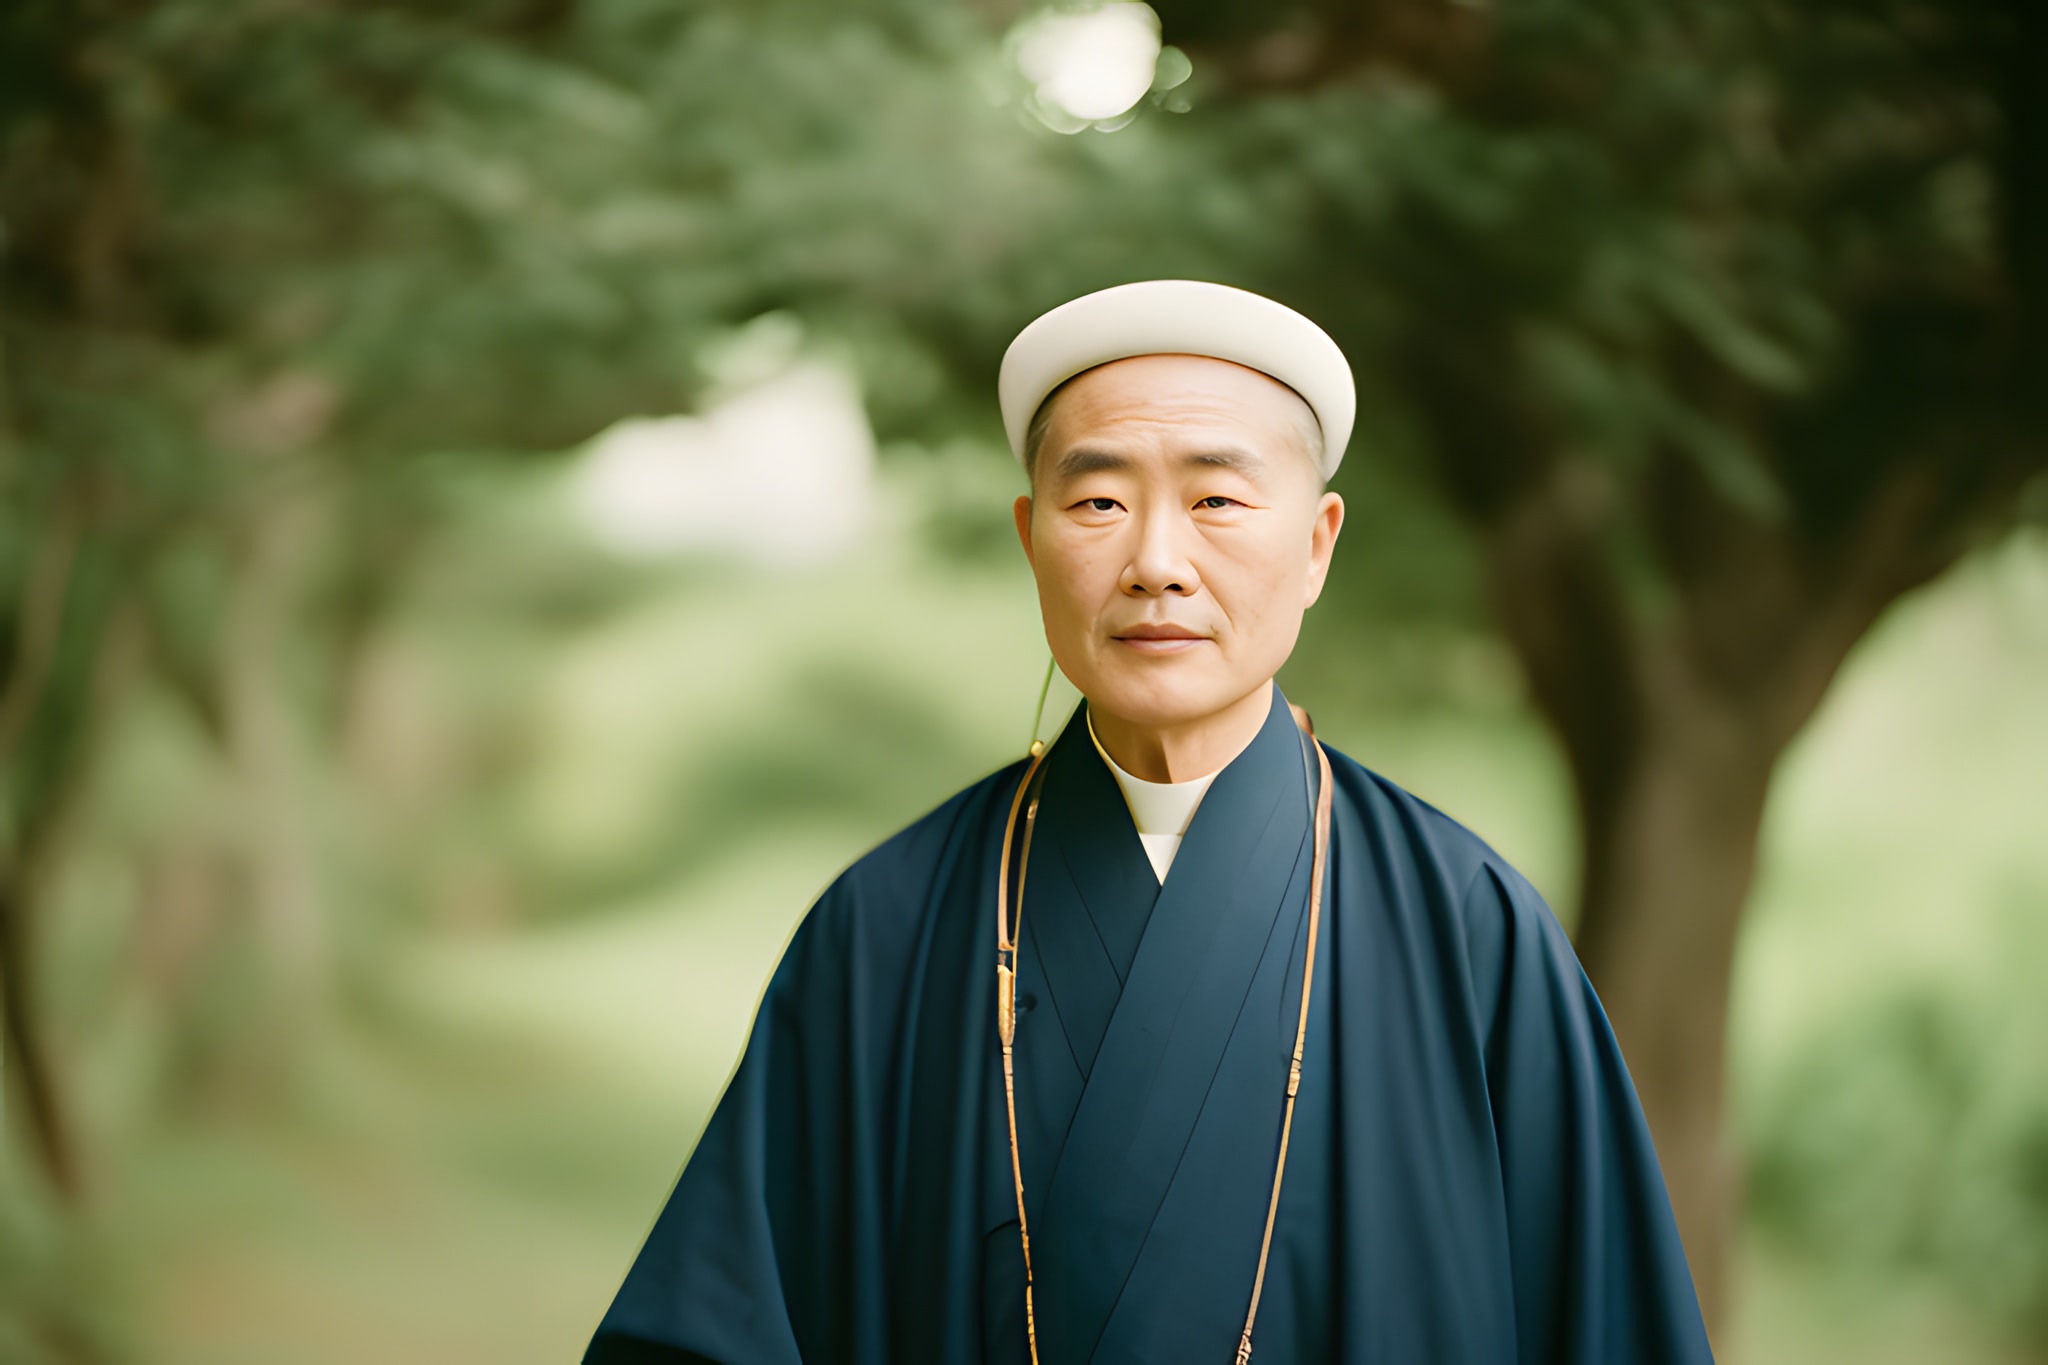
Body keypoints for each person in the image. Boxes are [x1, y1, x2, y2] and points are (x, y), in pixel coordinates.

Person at [583, 281, 1714, 1364]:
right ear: (1031, 536)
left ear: (1315, 544)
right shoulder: (885, 928)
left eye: (1217, 500)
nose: (1157, 564)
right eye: (1098, 502)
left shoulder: (1467, 931)